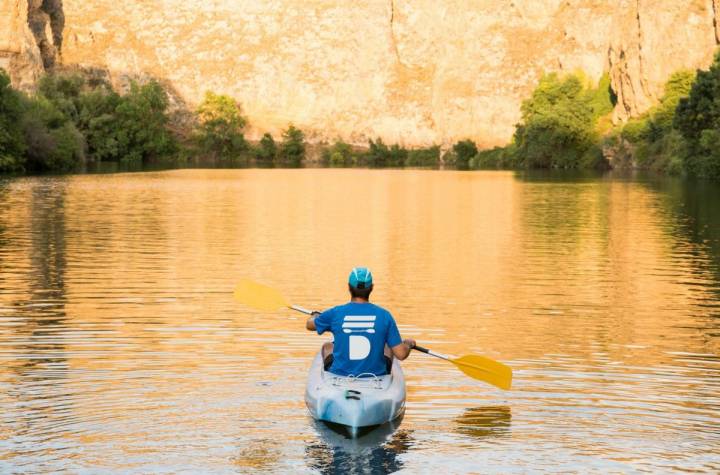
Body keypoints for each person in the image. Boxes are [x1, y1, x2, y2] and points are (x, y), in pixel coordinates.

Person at [306, 267, 415, 377]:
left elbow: (310, 325)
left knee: (328, 346)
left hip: (341, 375)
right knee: (388, 347)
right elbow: (401, 354)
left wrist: (316, 317)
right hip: (375, 376)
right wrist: (408, 344)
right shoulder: (385, 316)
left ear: (349, 287)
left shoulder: (335, 313)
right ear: (371, 288)